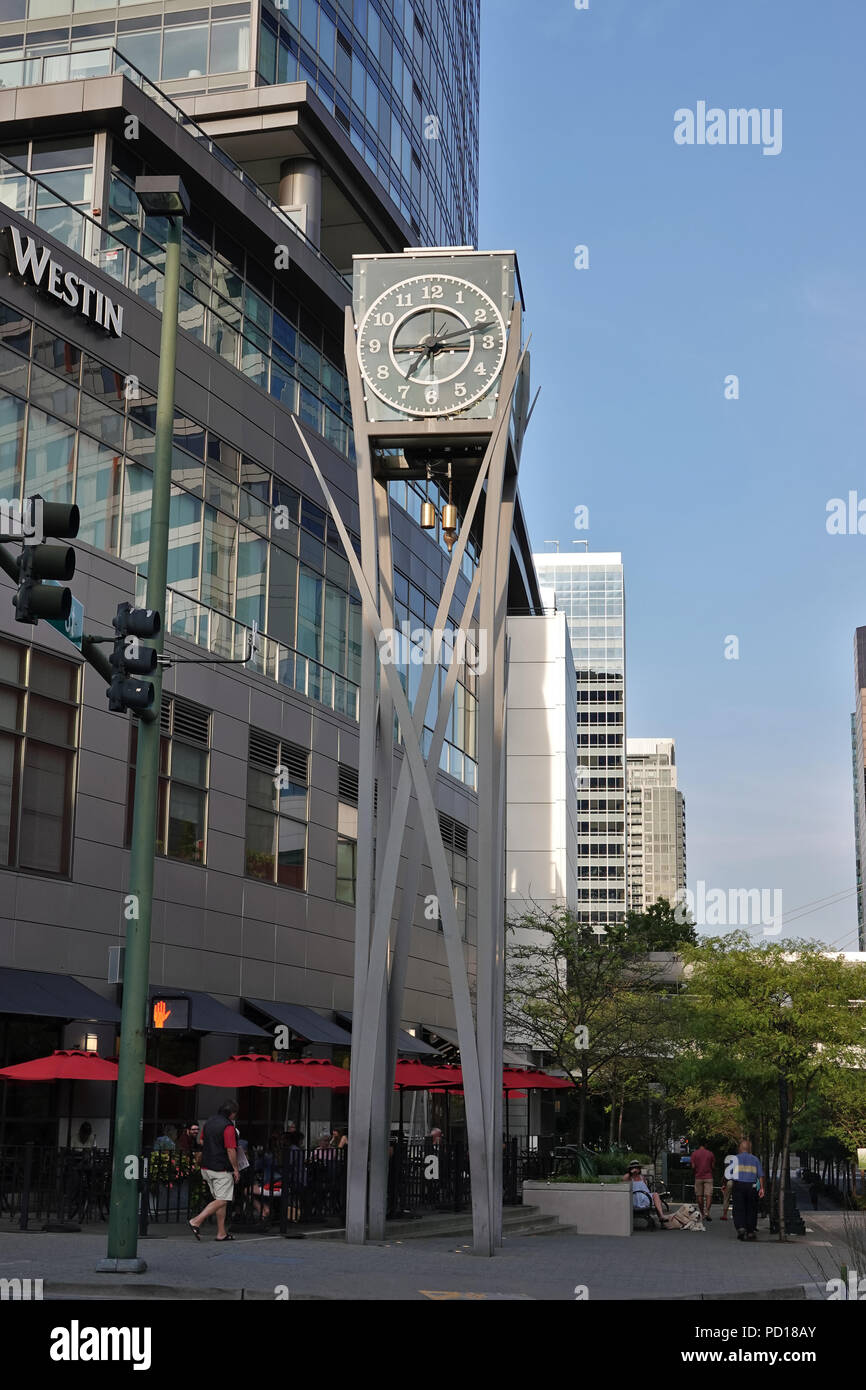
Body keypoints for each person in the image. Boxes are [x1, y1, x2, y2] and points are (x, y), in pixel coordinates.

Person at [189, 1100, 240, 1242]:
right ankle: (196, 1221)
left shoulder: (209, 1122)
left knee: (219, 1200)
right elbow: (230, 1149)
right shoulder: (228, 1127)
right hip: (221, 1168)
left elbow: (201, 1141)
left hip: (206, 1166)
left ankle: (221, 1233)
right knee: (223, 1199)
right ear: (232, 1114)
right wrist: (236, 1169)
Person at [730, 1139, 765, 1241]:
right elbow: (760, 1175)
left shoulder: (735, 1159)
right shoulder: (755, 1159)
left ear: (740, 1148)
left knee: (738, 1207)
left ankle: (741, 1228)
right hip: (751, 1186)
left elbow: (729, 1174)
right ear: (749, 1149)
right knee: (751, 1208)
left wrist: (725, 1184)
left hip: (738, 1185)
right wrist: (761, 1188)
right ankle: (750, 1231)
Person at [690, 1141, 715, 1222]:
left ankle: (702, 1213)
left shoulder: (694, 1154)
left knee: (699, 1196)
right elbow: (713, 1166)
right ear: (706, 1144)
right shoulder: (710, 1153)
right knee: (709, 1195)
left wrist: (695, 1172)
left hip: (698, 1177)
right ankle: (707, 1212)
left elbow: (693, 1166)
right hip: (708, 1176)